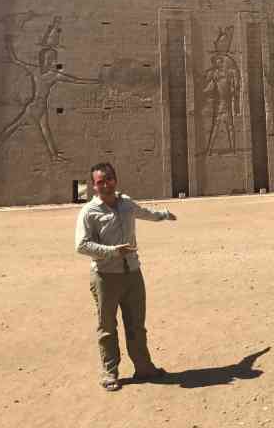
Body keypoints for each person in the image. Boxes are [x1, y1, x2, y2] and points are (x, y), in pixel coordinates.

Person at [75, 162, 177, 391]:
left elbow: (144, 213)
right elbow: (81, 245)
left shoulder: (126, 203)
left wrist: (164, 215)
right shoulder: (89, 212)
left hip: (132, 273)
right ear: (94, 186)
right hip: (105, 276)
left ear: (115, 180)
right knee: (107, 327)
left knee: (136, 325)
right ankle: (110, 373)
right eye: (100, 181)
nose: (105, 184)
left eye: (109, 179)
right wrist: (111, 251)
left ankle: (143, 368)